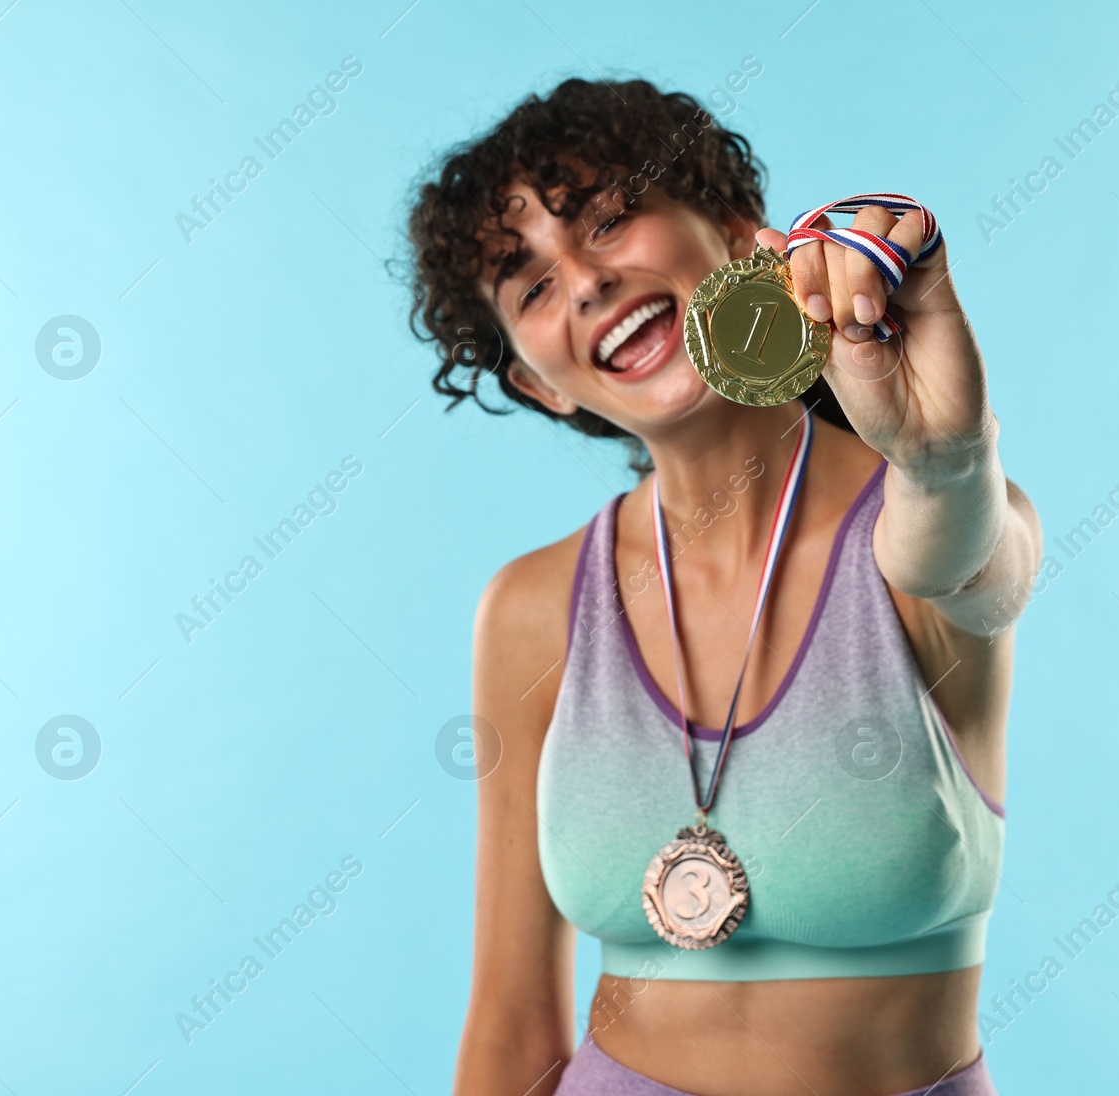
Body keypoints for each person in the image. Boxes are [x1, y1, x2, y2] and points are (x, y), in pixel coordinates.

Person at [402, 76, 1042, 1096]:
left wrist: (949, 456)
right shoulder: (530, 609)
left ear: (748, 243)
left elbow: (972, 564)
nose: (583, 280)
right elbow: (511, 1026)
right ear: (534, 381)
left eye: (610, 221)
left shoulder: (924, 519)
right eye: (530, 285)